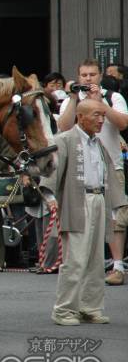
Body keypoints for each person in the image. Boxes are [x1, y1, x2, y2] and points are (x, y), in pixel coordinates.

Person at [40, 99, 125, 325]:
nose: (101, 120)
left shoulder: (99, 143)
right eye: (96, 115)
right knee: (75, 258)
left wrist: (113, 209)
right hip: (76, 200)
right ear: (80, 117)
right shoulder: (64, 140)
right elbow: (51, 173)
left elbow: (109, 176)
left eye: (103, 115)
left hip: (98, 199)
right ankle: (64, 309)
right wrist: (50, 199)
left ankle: (90, 306)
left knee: (96, 259)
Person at [57, 59, 128, 286]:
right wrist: (73, 98)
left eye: (92, 74)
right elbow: (63, 127)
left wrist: (99, 103)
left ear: (100, 76)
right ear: (78, 76)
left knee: (116, 218)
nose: (88, 79)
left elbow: (123, 123)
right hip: (79, 169)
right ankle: (85, 264)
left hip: (111, 165)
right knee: (82, 218)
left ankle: (118, 266)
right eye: (84, 75)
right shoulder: (73, 99)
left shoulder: (113, 97)